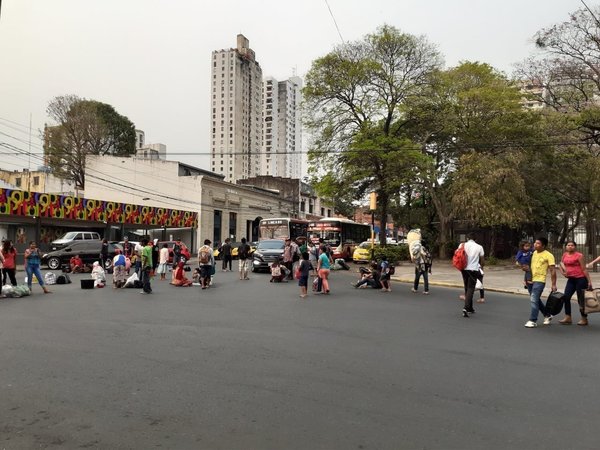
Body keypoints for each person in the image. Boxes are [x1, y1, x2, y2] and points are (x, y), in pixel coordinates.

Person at [524, 237, 557, 328]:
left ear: (543, 245)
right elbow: (529, 268)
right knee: (536, 299)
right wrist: (525, 279)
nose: (535, 244)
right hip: (530, 280)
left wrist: (553, 284)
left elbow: (553, 271)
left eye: (538, 243)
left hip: (540, 280)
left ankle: (533, 320)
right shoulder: (533, 253)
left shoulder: (548, 255)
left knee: (534, 299)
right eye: (535, 243)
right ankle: (547, 315)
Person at [558, 241, 592, 326]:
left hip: (581, 279)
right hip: (571, 280)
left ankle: (584, 318)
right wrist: (563, 273)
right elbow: (561, 264)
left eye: (572, 245)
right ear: (566, 247)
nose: (570, 247)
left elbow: (584, 269)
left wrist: (589, 282)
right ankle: (568, 317)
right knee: (566, 297)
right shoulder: (565, 255)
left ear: (575, 247)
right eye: (568, 245)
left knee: (581, 300)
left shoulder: (579, 255)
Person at [461, 235, 484, 318]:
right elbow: (482, 260)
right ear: (475, 239)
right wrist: (481, 268)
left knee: (466, 288)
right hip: (473, 269)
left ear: (467, 238)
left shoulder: (462, 245)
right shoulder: (479, 247)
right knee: (471, 288)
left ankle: (470, 308)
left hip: (463, 269)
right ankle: (466, 308)